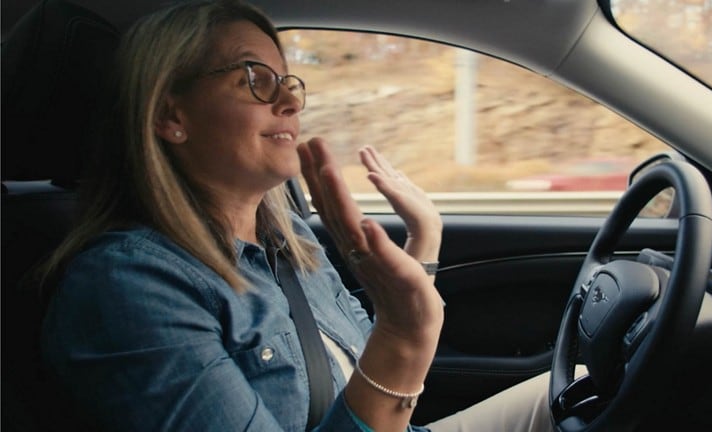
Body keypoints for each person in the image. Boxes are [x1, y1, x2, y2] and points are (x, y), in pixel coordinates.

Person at [39, 0, 558, 430]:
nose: (290, 99)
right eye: (255, 79)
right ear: (171, 115)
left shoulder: (292, 247)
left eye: (288, 81)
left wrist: (424, 242)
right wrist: (404, 338)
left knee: (580, 387)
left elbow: (365, 369)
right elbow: (391, 360)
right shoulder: (129, 286)